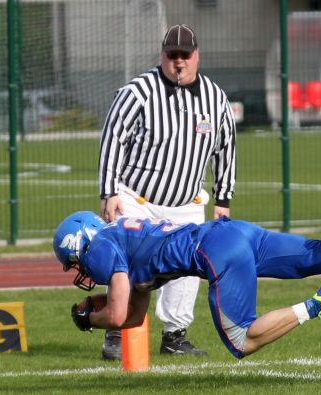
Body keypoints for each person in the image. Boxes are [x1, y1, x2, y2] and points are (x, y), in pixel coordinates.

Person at [53, 211, 321, 359]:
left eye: (75, 261)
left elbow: (116, 313)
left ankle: (319, 303)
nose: (82, 269)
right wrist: (99, 307)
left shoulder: (99, 248)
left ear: (80, 243)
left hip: (215, 251)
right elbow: (133, 318)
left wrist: (87, 319)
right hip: (234, 232)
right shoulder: (123, 245)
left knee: (242, 340)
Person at [98, 24, 236, 359]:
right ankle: (116, 333)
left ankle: (174, 335)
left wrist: (223, 199)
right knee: (127, 263)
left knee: (186, 270)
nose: (178, 62)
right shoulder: (138, 92)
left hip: (187, 201)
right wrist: (109, 191)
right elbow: (113, 138)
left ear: (196, 55)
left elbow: (226, 147)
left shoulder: (215, 98)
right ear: (162, 55)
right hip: (137, 197)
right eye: (172, 55)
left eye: (184, 56)